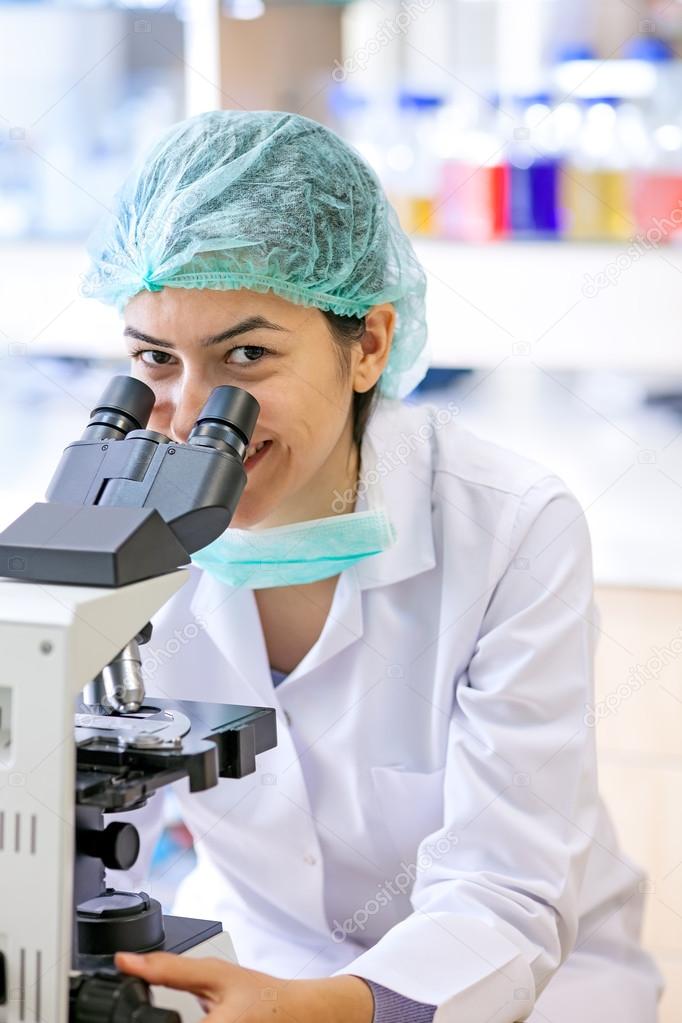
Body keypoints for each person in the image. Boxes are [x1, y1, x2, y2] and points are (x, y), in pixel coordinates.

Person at [82, 109, 663, 1023]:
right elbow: (87, 809)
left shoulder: (510, 526)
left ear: (372, 345)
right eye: (156, 359)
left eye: (246, 354)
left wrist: (321, 1008)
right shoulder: (114, 517)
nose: (195, 416)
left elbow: (503, 886)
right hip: (249, 965)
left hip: (507, 988)